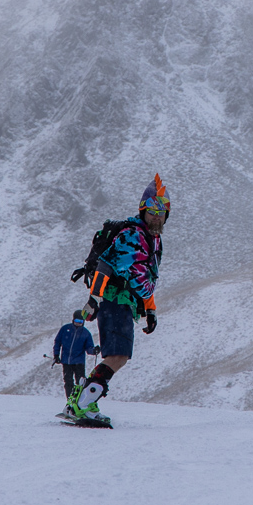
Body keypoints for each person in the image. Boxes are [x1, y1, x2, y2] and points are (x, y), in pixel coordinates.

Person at [67, 174, 168, 423]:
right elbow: (105, 266)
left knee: (118, 357)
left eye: (162, 210)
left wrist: (150, 309)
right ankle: (83, 404)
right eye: (152, 210)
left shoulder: (154, 241)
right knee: (118, 357)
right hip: (114, 301)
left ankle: (79, 403)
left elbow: (145, 279)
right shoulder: (133, 235)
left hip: (126, 303)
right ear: (142, 211)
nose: (157, 215)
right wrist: (94, 299)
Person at [51, 312, 98, 399]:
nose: (78, 323)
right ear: (73, 320)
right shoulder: (65, 329)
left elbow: (88, 348)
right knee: (68, 381)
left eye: (81, 321)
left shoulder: (86, 333)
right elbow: (57, 342)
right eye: (76, 321)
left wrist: (94, 350)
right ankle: (70, 399)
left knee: (80, 383)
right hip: (66, 361)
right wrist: (56, 355)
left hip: (79, 362)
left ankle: (80, 400)